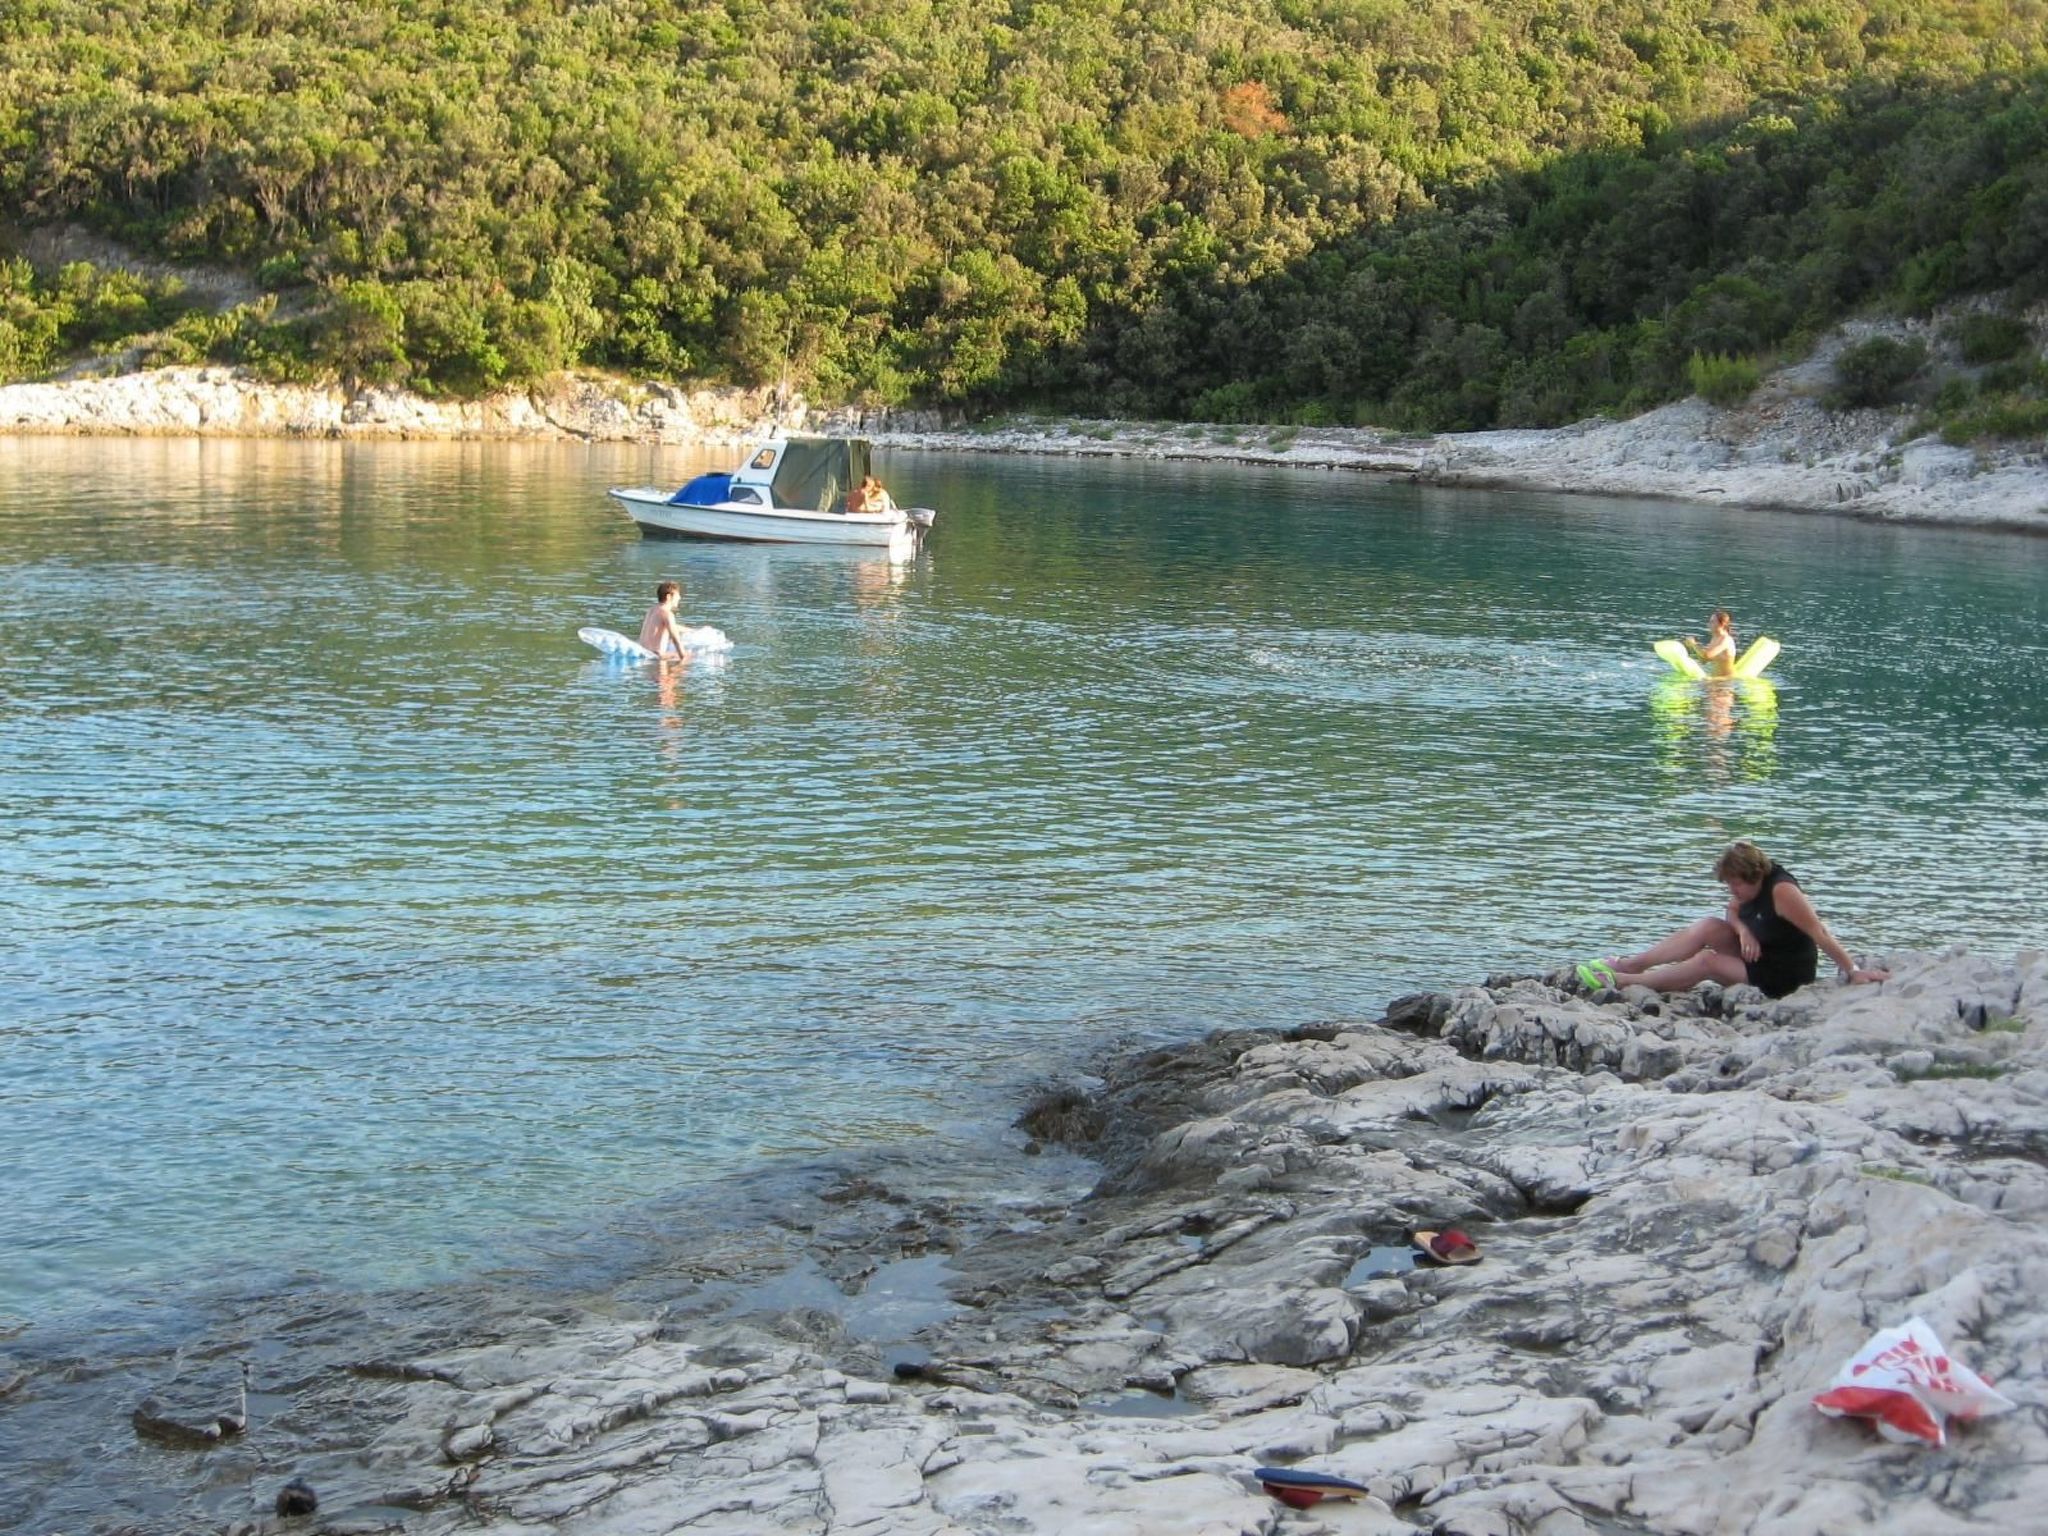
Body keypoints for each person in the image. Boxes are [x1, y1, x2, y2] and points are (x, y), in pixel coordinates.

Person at [1577, 839, 1889, 998]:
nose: (1732, 890)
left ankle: (1624, 981)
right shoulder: (1746, 893)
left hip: (1781, 975)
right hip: (1757, 953)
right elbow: (1732, 910)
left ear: (1755, 876)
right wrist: (1743, 932)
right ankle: (1634, 963)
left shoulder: (1782, 891)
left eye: (1736, 884)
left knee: (1707, 961)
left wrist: (1853, 970)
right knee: (1708, 927)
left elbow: (1820, 932)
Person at [638, 580, 692, 661]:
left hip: (643, 652)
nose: (679, 598)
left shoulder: (652, 610)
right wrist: (683, 657)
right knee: (692, 656)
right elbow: (675, 639)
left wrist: (691, 631)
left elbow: (667, 627)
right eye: (677, 595)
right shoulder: (667, 613)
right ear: (669, 597)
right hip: (656, 655)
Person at [1684, 609, 1738, 677]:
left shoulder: (1726, 640)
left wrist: (1694, 644)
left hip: (1725, 681)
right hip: (1715, 678)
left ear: (1722, 624)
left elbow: (1707, 656)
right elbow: (1704, 660)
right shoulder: (1715, 638)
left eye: (1712, 622)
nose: (1709, 624)